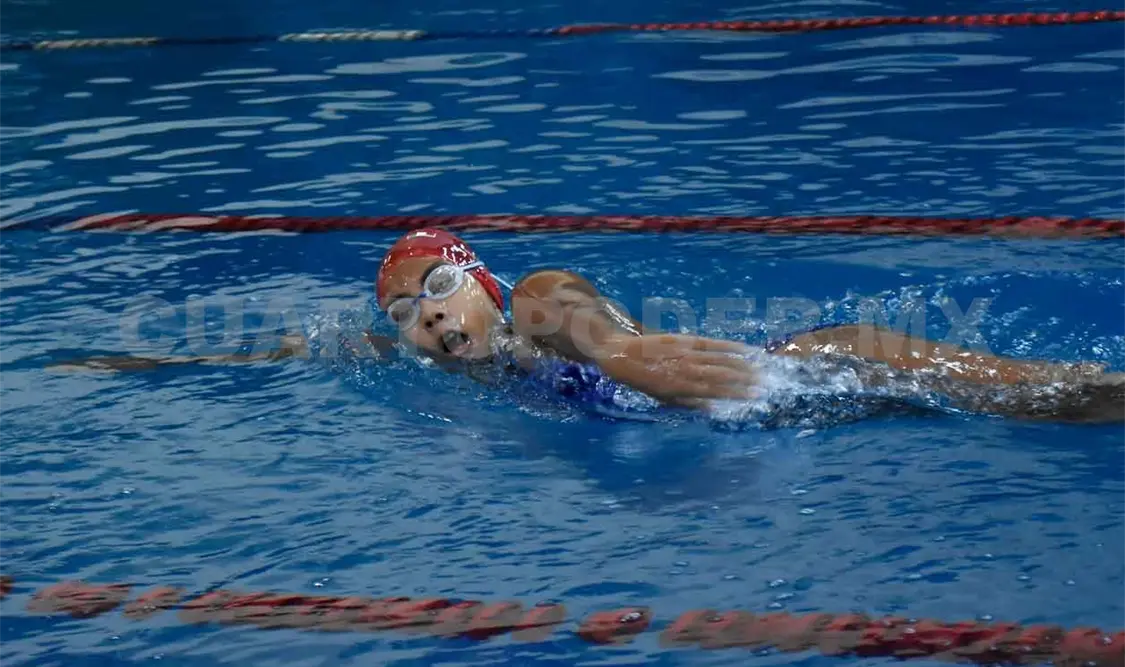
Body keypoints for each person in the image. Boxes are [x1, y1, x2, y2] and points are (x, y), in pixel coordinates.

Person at [49, 228, 1125, 424]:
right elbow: (288, 349)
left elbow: (596, 332)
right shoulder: (427, 363)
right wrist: (133, 358)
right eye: (403, 317)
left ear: (478, 283)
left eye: (434, 295)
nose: (423, 324)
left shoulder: (538, 301)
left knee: (1062, 397)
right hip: (789, 417)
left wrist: (618, 353)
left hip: (817, 370)